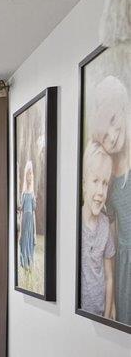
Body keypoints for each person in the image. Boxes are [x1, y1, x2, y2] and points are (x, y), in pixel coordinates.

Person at [89, 75, 131, 322]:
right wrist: (111, 299)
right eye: (105, 134)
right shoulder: (108, 176)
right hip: (125, 269)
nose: (113, 136)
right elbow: (112, 237)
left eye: (114, 121)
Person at [80, 142, 116, 318]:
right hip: (78, 313)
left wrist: (107, 315)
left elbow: (109, 278)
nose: (101, 191)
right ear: (84, 184)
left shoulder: (105, 227)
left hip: (101, 313)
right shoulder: (76, 225)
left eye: (105, 183)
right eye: (95, 181)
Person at [18, 160, 36, 271]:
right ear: (26, 176)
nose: (30, 176)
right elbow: (22, 210)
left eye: (31, 173)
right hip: (25, 219)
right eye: (28, 173)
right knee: (24, 240)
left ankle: (29, 261)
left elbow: (33, 210)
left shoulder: (32, 193)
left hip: (30, 220)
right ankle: (24, 262)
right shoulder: (24, 193)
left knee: (30, 240)